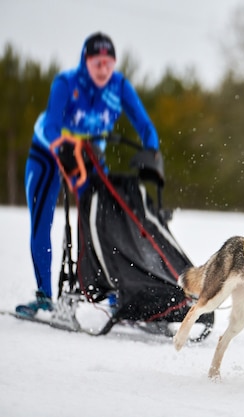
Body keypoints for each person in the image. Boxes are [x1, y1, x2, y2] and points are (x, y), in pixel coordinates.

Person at [16, 32, 160, 318]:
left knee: (103, 224)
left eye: (109, 62)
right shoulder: (66, 83)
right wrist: (63, 149)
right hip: (47, 153)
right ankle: (44, 295)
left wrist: (152, 154)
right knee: (41, 222)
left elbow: (145, 126)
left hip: (90, 157)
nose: (104, 69)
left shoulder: (119, 86)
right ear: (86, 61)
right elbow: (51, 126)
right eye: (97, 62)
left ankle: (110, 293)